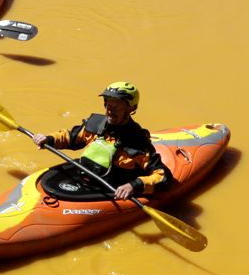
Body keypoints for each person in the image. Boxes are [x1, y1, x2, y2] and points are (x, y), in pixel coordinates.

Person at [39, 81, 172, 203]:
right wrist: (48, 139)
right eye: (108, 102)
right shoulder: (96, 125)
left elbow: (163, 177)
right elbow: (70, 137)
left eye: (117, 105)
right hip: (84, 180)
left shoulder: (138, 143)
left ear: (131, 108)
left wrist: (134, 185)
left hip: (110, 190)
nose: (110, 109)